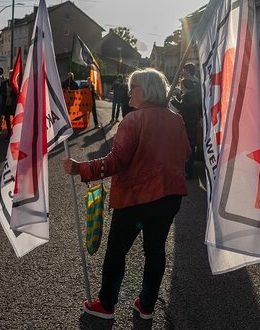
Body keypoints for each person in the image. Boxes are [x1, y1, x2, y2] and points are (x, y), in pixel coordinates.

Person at [63, 68, 190, 321]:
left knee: (117, 251)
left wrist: (81, 168)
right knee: (155, 251)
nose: (129, 92)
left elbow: (116, 161)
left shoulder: (133, 120)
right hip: (170, 196)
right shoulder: (176, 119)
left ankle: (107, 304)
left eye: (133, 87)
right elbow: (186, 153)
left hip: (136, 197)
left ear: (145, 91)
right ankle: (146, 305)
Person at [170, 63, 201, 179]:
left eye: (184, 70)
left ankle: (188, 170)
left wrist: (175, 99)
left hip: (190, 119)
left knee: (188, 145)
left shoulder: (194, 85)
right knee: (187, 144)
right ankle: (186, 168)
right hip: (190, 118)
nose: (183, 72)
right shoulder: (193, 85)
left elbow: (187, 105)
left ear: (188, 71)